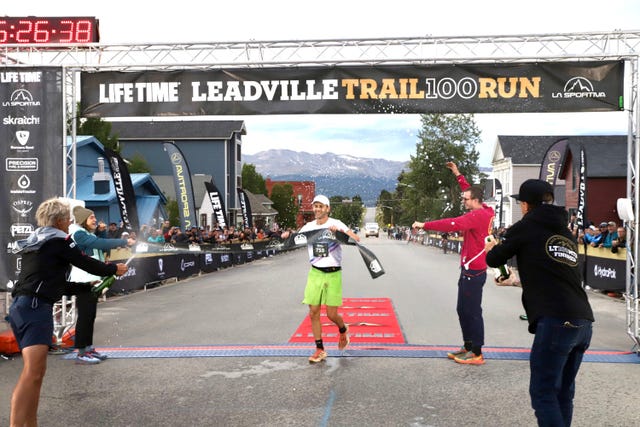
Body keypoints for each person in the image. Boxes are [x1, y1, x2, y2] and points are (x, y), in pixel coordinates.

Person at [7, 198, 128, 426]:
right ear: (60, 221)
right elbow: (85, 261)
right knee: (32, 374)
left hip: (22, 307)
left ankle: (30, 423)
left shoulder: (40, 241)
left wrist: (85, 287)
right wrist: (113, 269)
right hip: (35, 308)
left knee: (35, 374)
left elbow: (56, 284)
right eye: (67, 219)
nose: (69, 222)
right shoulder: (59, 241)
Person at [484, 179, 594, 427]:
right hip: (583, 321)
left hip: (556, 321)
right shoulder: (564, 231)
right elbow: (556, 275)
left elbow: (494, 259)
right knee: (563, 393)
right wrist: (515, 282)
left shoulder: (526, 226)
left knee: (543, 393)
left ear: (525, 205)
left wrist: (494, 245)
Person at [411, 162, 494, 365]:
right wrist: (458, 174)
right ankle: (467, 346)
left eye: (466, 199)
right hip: (468, 268)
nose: (463, 201)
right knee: (462, 309)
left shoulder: (477, 216)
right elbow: (468, 189)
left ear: (475, 200)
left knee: (472, 311)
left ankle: (477, 352)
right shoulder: (483, 208)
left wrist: (424, 224)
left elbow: (450, 223)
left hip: (474, 270)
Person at [282, 195, 360, 363]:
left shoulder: (336, 223)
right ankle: (320, 349)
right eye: (315, 206)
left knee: (331, 314)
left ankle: (342, 329)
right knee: (313, 312)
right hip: (315, 273)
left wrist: (339, 234)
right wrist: (287, 236)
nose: (317, 209)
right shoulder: (308, 227)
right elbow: (294, 239)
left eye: (321, 206)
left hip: (333, 274)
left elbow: (356, 239)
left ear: (327, 209)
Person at [68, 206, 135, 364]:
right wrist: (125, 241)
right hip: (83, 279)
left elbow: (97, 243)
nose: (95, 220)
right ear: (83, 219)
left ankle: (88, 348)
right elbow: (100, 243)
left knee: (90, 315)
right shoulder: (78, 233)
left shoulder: (85, 232)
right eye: (91, 217)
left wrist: (102, 232)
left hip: (91, 278)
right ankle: (81, 353)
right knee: (85, 316)